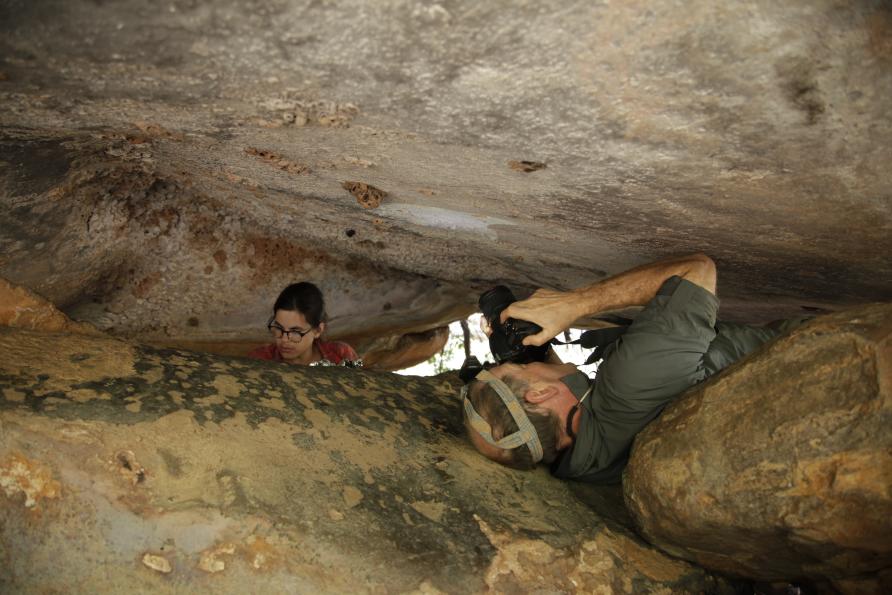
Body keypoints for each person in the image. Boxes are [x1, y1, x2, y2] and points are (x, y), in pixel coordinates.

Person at [462, 253, 808, 483]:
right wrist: (573, 304)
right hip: (807, 348)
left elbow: (556, 404)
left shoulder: (578, 463)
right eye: (509, 367)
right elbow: (697, 271)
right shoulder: (628, 383)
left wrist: (537, 353)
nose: (517, 360)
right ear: (539, 393)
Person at [248, 282, 360, 366]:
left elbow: (362, 388)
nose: (284, 340)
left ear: (318, 331)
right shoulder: (260, 360)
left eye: (295, 332)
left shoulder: (341, 354)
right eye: (279, 328)